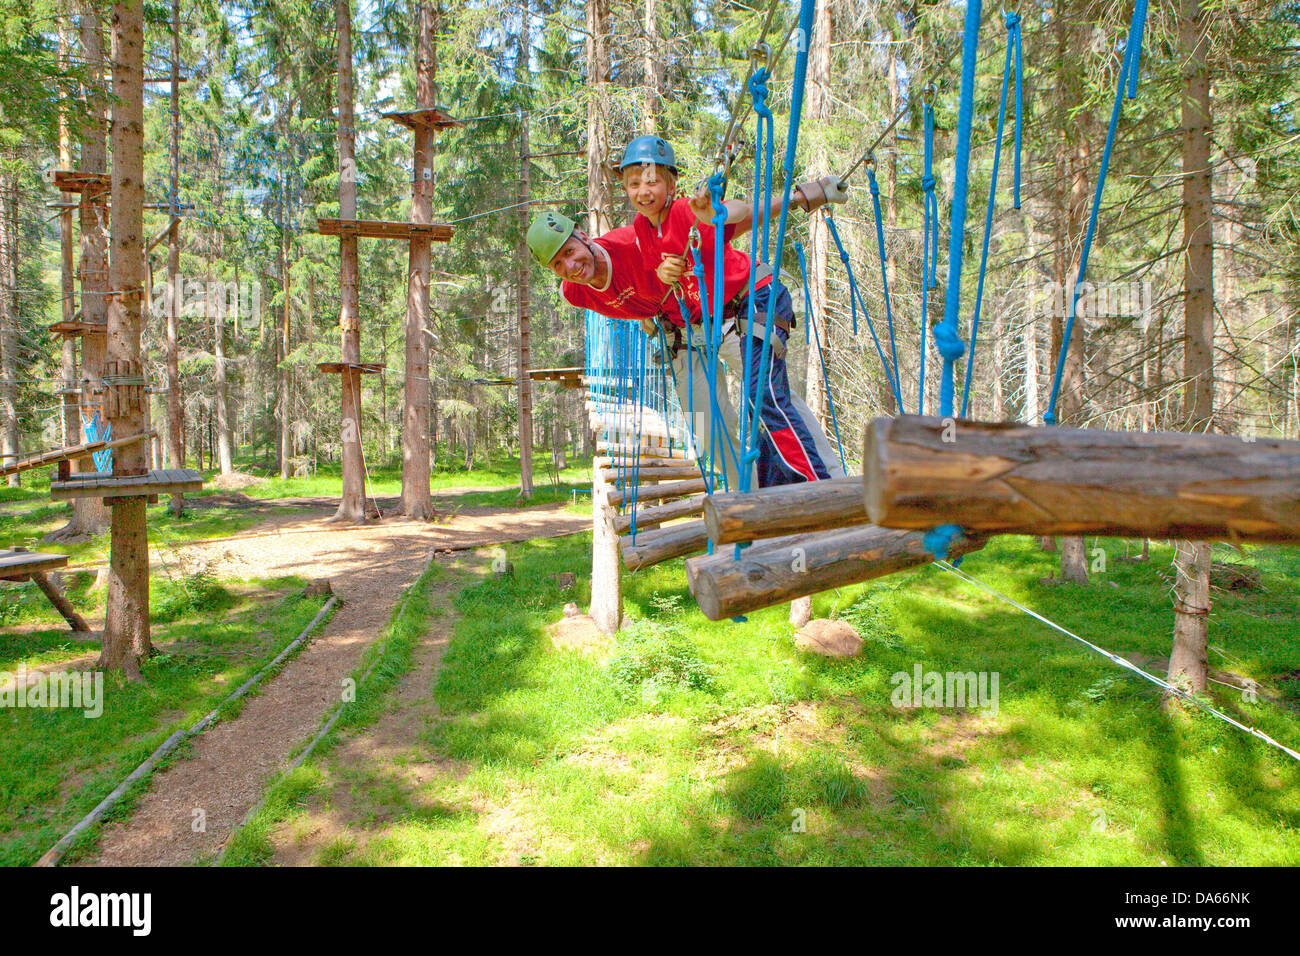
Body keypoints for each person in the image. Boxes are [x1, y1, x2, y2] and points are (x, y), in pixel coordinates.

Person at [618, 134, 846, 487]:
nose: (643, 191)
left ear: (671, 183)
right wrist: (664, 275)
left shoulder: (685, 211)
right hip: (697, 327)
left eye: (652, 181)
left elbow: (742, 213)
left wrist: (715, 212)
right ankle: (754, 492)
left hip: (746, 302)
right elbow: (661, 275)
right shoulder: (641, 229)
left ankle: (829, 479)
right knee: (708, 429)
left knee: (769, 395)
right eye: (634, 184)